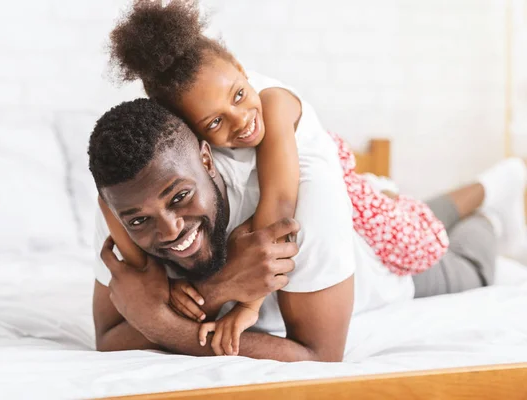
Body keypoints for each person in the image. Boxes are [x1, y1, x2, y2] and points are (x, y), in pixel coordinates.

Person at [101, 0, 527, 355]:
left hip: (367, 240)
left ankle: (491, 205)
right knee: (411, 210)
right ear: (193, 133)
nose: (240, 120)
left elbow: (278, 211)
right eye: (214, 121)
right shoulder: (139, 172)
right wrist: (202, 292)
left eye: (238, 96)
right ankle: (493, 185)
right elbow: (115, 310)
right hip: (356, 198)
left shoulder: (278, 118)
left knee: (445, 251)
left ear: (240, 68)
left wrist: (240, 301)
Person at [89, 98, 527, 361]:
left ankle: (492, 204)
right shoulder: (123, 198)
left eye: (180, 197)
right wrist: (219, 289)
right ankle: (491, 183)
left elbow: (320, 356)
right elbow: (108, 337)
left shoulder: (296, 195)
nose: (169, 230)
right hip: (357, 215)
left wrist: (160, 324)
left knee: (469, 264)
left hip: (374, 266)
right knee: (423, 211)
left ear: (207, 159)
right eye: (140, 220)